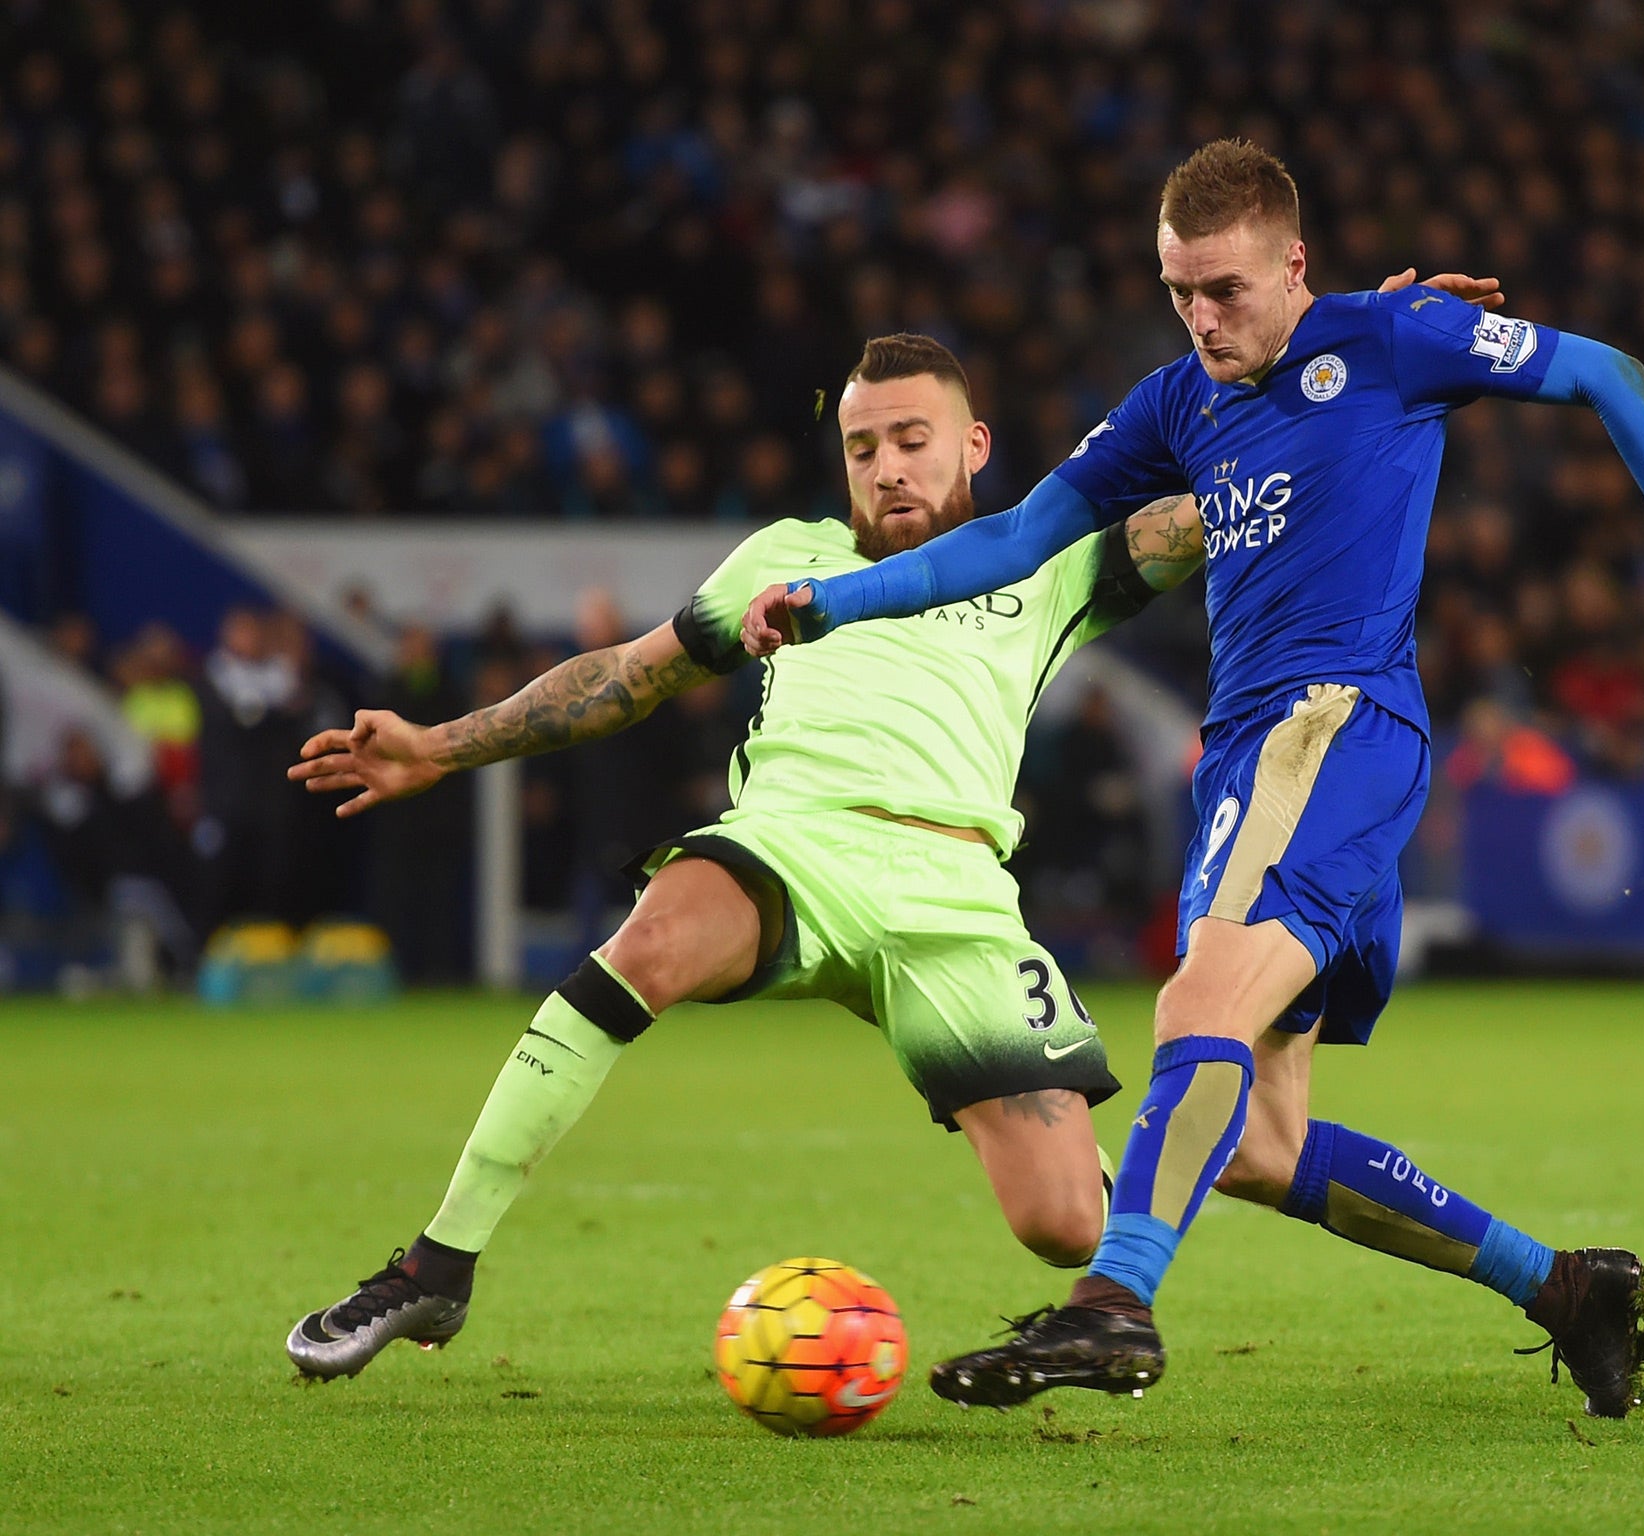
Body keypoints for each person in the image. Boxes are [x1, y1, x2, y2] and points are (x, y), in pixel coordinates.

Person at [282, 285, 1488, 1382]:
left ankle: (1162, 1238)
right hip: (789, 849)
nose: (886, 468)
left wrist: (1329, 343)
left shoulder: (1057, 558)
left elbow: (1236, 490)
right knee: (646, 945)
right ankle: (437, 1268)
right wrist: (442, 744)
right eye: (863, 446)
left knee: (1062, 1223)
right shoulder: (786, 562)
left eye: (912, 440)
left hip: (958, 897)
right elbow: (629, 676)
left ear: (971, 446)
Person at [744, 141, 1644, 1420]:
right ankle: (1561, 1288)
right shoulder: (1175, 403)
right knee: (1259, 1148)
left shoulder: (1391, 340)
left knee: (1193, 1004)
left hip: (1331, 728)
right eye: (1177, 291)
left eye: (1223, 288)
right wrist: (834, 602)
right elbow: (1005, 538)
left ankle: (1113, 1309)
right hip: (1250, 754)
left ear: (1293, 264)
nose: (1201, 318)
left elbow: (1608, 371)